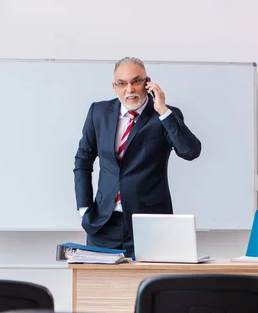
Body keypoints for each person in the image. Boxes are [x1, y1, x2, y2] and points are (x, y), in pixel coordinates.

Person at [73, 57, 202, 258]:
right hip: (104, 224)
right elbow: (83, 160)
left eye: (136, 81)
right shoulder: (99, 113)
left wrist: (163, 110)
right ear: (114, 87)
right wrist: (84, 209)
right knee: (102, 288)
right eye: (122, 83)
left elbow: (191, 152)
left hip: (151, 226)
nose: (130, 89)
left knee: (149, 287)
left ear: (148, 82)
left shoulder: (164, 116)